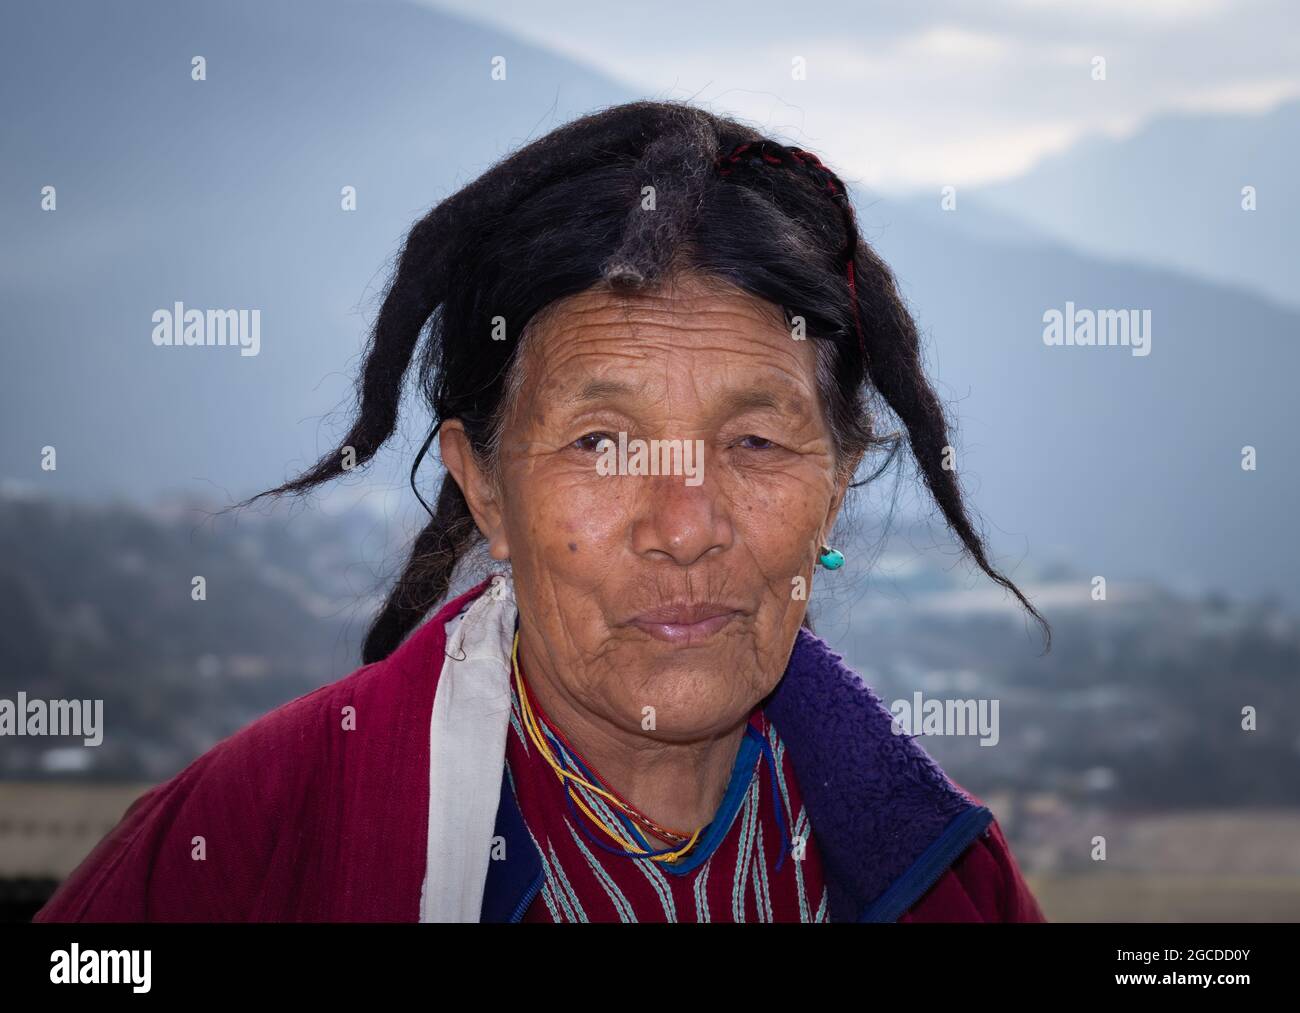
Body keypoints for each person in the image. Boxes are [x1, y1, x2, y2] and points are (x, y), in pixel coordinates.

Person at [36, 101, 1048, 923]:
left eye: (754, 441)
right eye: (600, 443)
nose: (686, 525)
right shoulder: (251, 843)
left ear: (834, 481)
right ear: (485, 489)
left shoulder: (944, 874)